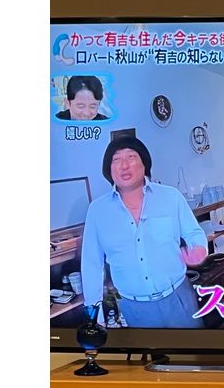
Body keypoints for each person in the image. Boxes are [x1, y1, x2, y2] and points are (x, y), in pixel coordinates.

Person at [81, 136, 208, 328]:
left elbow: (193, 232)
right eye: (116, 160)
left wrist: (198, 248)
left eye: (131, 157)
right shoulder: (97, 211)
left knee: (193, 347)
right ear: (108, 169)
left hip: (179, 298)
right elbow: (92, 264)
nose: (124, 166)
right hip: (134, 308)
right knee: (149, 349)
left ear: (144, 163)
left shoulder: (171, 197)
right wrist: (94, 315)